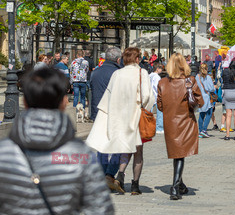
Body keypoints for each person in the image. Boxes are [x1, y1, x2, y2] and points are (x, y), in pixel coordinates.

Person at [0, 68, 114, 214]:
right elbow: (100, 209)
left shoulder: (4, 153)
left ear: (25, 101)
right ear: (64, 102)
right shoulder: (80, 154)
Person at [86, 47, 155, 195]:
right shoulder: (141, 73)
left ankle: (120, 176)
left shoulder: (117, 74)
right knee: (138, 152)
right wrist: (146, 108)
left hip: (120, 117)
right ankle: (135, 185)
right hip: (136, 117)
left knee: (124, 148)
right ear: (137, 59)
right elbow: (148, 97)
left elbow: (108, 97)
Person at [157, 53, 204, 200]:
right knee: (180, 154)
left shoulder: (163, 82)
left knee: (178, 153)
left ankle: (180, 185)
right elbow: (200, 102)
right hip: (186, 120)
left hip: (170, 122)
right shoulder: (190, 81)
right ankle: (175, 187)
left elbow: (159, 105)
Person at [89, 47, 123, 192]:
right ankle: (109, 174)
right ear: (118, 59)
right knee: (118, 146)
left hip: (98, 113)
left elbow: (91, 93)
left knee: (101, 146)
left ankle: (102, 175)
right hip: (115, 114)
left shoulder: (95, 72)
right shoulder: (118, 73)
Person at [196, 63, 216, 138]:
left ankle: (200, 131)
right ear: (207, 69)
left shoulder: (197, 77)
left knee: (201, 114)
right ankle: (204, 130)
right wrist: (214, 87)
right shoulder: (208, 77)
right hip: (207, 98)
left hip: (200, 97)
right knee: (209, 113)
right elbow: (211, 88)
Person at [150, 62, 164, 134]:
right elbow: (157, 86)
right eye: (161, 68)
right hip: (156, 96)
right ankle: (159, 128)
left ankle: (148, 127)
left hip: (150, 96)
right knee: (160, 112)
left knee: (149, 112)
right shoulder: (157, 77)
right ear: (158, 69)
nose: (162, 70)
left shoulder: (150, 75)